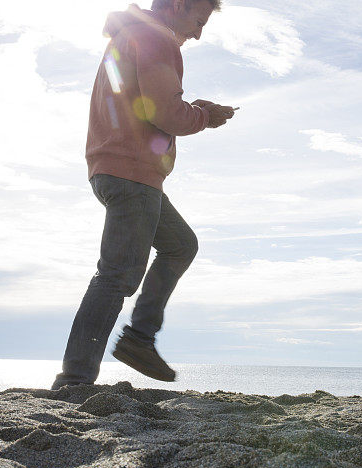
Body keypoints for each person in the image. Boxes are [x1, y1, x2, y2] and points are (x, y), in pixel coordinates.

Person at [51, 0, 235, 389]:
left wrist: (195, 109)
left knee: (181, 244)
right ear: (178, 5)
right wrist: (205, 117)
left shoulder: (129, 34)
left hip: (119, 170)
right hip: (131, 173)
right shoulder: (154, 37)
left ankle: (138, 338)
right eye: (198, 20)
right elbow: (164, 113)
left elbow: (145, 102)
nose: (199, 33)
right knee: (116, 275)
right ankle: (75, 378)